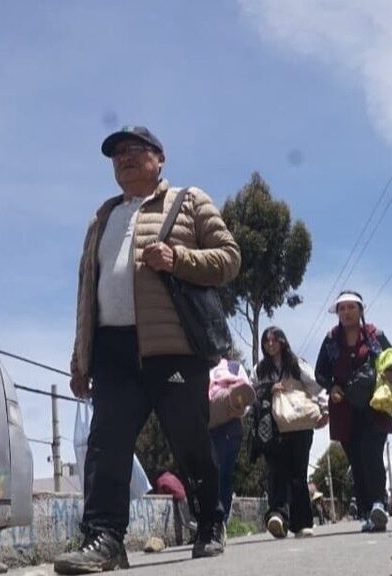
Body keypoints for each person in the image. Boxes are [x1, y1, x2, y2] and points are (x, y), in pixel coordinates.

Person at [56, 125, 241, 574]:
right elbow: (87, 292)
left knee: (189, 438)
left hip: (171, 347)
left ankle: (209, 522)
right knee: (106, 444)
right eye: (117, 153)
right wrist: (82, 357)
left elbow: (229, 258)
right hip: (112, 350)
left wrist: (178, 259)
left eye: (135, 150)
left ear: (160, 158)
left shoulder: (189, 201)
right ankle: (104, 539)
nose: (124, 158)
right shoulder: (101, 218)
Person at [315, 290, 392, 533]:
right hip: (345, 410)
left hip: (375, 406)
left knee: (372, 455)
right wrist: (332, 387)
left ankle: (378, 504)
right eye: (342, 308)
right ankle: (366, 511)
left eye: (351, 307)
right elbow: (320, 373)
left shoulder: (374, 335)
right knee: (357, 462)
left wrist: (390, 374)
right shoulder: (330, 340)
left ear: (360, 310)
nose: (346, 312)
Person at [253, 326, 327, 538]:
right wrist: (269, 389)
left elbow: (317, 386)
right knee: (277, 472)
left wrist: (325, 410)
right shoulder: (259, 369)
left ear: (283, 341)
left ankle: (302, 523)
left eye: (274, 340)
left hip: (300, 424)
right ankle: (278, 516)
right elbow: (251, 392)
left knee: (298, 474)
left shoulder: (296, 364)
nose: (270, 344)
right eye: (266, 341)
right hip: (273, 426)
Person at [208, 353, 250, 530]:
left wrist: (240, 409)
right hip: (207, 429)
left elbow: (246, 394)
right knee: (207, 476)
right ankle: (209, 521)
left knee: (223, 474)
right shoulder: (201, 368)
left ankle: (221, 522)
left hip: (230, 429)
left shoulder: (234, 367)